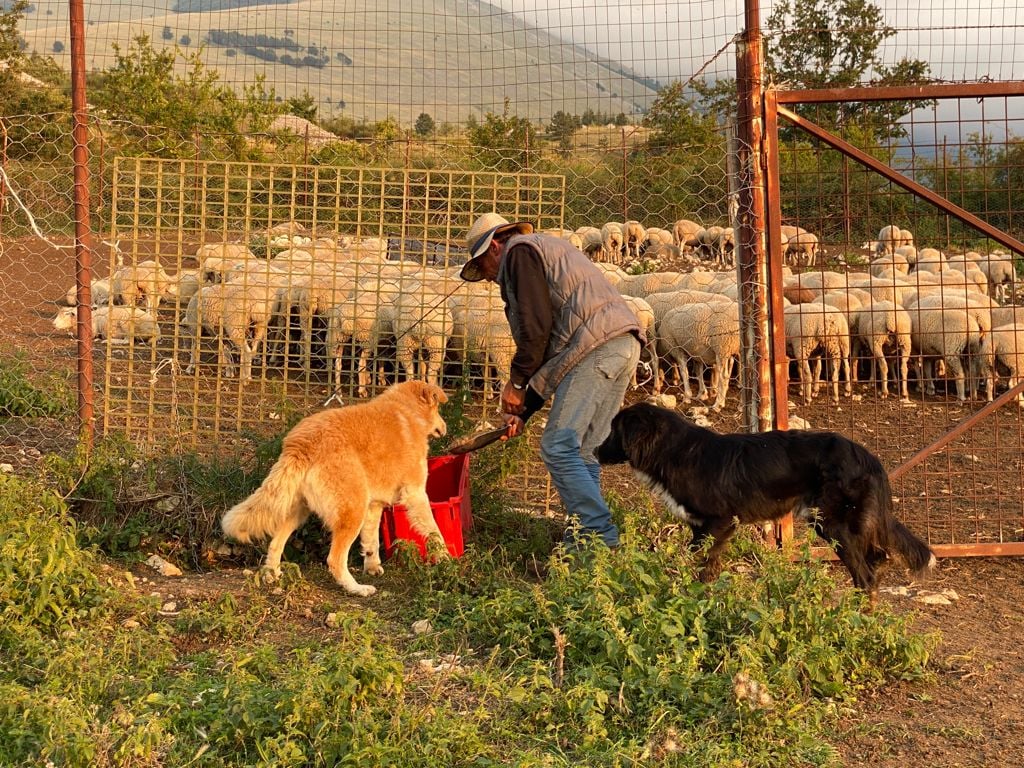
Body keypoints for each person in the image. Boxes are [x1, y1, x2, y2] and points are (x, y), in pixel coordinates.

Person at [459, 212, 644, 550]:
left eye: (482, 264)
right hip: (622, 344)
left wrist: (515, 384)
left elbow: (536, 331)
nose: (486, 277)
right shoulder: (540, 251)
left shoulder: (519, 253)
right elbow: (554, 351)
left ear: (495, 247)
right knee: (584, 451)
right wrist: (523, 412)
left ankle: (600, 537)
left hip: (597, 349)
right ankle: (584, 545)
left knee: (558, 446)